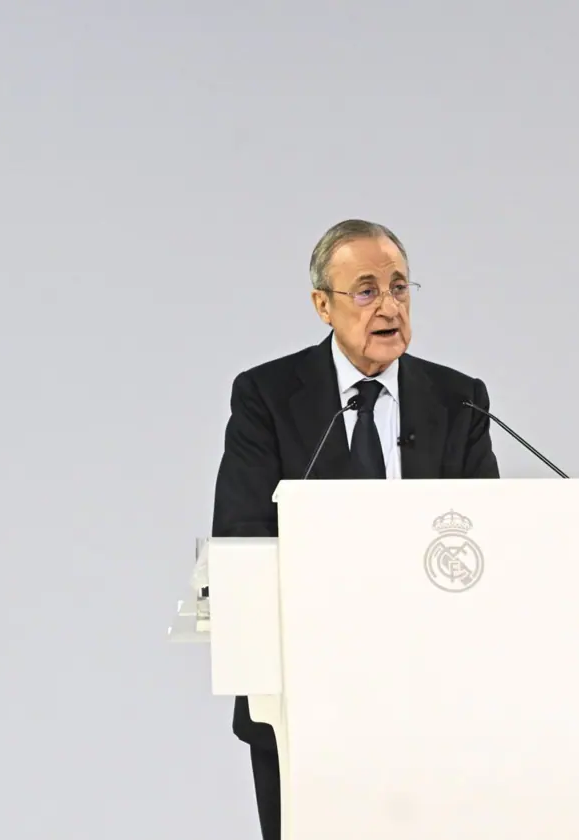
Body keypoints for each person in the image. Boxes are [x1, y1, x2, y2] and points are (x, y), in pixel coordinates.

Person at [209, 219, 500, 839]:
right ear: (323, 305)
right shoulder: (266, 395)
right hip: (305, 693)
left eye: (399, 287)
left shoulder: (460, 400)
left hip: (434, 693)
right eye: (365, 291)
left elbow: (488, 539)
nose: (389, 305)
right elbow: (241, 533)